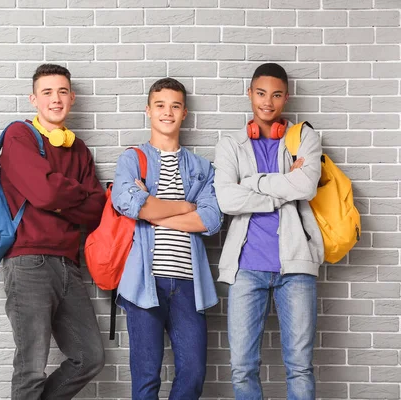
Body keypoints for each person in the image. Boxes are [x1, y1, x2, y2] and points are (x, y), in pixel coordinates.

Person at [213, 63, 324, 400]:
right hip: (246, 268)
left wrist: (254, 183)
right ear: (250, 94)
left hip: (296, 267)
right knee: (242, 366)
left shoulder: (303, 136)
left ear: (286, 98)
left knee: (300, 366)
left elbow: (306, 185)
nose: (267, 102)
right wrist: (280, 193)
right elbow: (227, 199)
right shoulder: (230, 143)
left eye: (276, 95)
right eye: (261, 93)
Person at [111, 77, 223, 399]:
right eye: (160, 105)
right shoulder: (132, 159)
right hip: (144, 282)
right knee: (146, 378)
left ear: (185, 113)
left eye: (175, 106)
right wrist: (187, 207)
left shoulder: (202, 167)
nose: (167, 112)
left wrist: (156, 208)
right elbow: (132, 205)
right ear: (148, 110)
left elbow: (212, 218)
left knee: (193, 372)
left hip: (189, 284)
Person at [0, 63, 106, 400]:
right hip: (28, 261)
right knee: (31, 366)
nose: (55, 99)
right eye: (47, 92)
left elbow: (96, 208)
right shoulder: (20, 136)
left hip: (68, 266)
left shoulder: (80, 150)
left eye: (62, 92)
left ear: (72, 98)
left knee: (89, 357)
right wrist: (69, 196)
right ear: (34, 99)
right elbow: (46, 193)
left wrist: (58, 197)